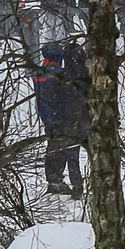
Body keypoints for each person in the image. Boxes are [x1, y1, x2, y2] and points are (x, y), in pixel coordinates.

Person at [33, 40, 89, 197]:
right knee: (74, 152)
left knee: (61, 150)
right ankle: (77, 184)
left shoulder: (48, 73)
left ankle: (59, 181)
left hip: (59, 118)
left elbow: (53, 98)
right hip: (79, 118)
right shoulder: (82, 73)